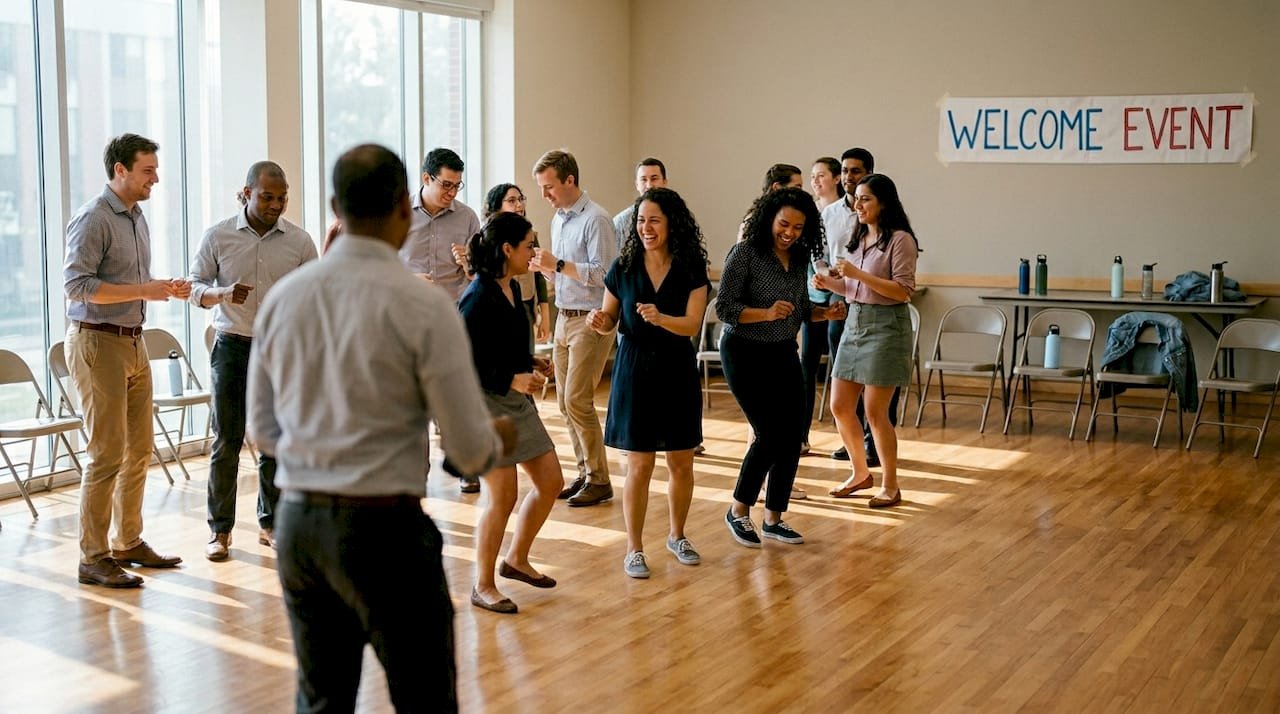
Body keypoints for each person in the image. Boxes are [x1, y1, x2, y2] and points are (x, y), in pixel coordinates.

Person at [248, 143, 516, 712]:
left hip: (299, 526)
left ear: (333, 208)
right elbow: (468, 452)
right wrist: (496, 441)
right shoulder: (423, 307)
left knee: (321, 700)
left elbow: (264, 434)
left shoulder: (284, 301)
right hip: (384, 531)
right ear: (403, 206)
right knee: (425, 700)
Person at [64, 133, 188, 588]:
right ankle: (92, 557)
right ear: (120, 170)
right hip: (98, 344)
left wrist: (159, 286)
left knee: (138, 451)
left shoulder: (136, 218)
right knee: (105, 454)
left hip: (133, 343)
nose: (155, 178)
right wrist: (142, 290)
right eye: (147, 170)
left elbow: (127, 281)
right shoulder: (93, 218)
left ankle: (127, 541)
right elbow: (77, 287)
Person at [188, 161, 317, 561]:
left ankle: (271, 524)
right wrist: (223, 293)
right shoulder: (218, 236)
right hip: (232, 346)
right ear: (246, 193)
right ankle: (220, 531)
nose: (276, 204)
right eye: (267, 197)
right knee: (226, 440)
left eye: (282, 197)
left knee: (273, 441)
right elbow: (194, 288)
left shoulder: (299, 241)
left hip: (280, 351)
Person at [588, 187, 709, 578]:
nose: (646, 227)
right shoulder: (623, 266)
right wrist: (600, 321)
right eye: (641, 220)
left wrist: (661, 319)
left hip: (676, 367)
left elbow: (691, 324)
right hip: (634, 367)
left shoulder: (691, 267)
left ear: (672, 223)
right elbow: (609, 316)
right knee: (638, 465)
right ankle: (634, 548)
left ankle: (677, 535)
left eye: (654, 220)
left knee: (680, 460)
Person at [715, 187, 846, 548]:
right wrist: (765, 313)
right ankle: (739, 510)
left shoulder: (799, 259)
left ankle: (773, 517)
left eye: (798, 227)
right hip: (744, 351)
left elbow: (802, 310)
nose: (789, 233)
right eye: (784, 224)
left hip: (783, 351)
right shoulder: (745, 253)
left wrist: (825, 313)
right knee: (770, 433)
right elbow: (723, 308)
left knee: (792, 436)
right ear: (769, 219)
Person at [459, 211, 563, 614]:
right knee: (502, 495)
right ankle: (482, 585)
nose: (535, 251)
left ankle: (516, 559)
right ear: (507, 249)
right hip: (482, 405)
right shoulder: (476, 297)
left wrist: (532, 365)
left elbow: (504, 346)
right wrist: (510, 379)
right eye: (529, 244)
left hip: (513, 402)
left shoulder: (514, 288)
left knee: (551, 481)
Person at [818, 174, 919, 509]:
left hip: (887, 326)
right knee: (840, 405)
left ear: (883, 203)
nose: (858, 205)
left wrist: (857, 274)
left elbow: (902, 291)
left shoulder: (900, 240)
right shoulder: (858, 236)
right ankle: (860, 473)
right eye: (857, 199)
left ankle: (891, 483)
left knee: (876, 412)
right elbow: (853, 290)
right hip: (855, 321)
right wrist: (829, 283)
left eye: (866, 199)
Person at [529, 150, 618, 507]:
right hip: (565, 316)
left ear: (570, 180)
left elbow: (605, 274)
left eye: (549, 187)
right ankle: (585, 473)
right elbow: (565, 273)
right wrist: (546, 269)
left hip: (591, 318)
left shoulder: (597, 219)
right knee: (565, 405)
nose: (544, 196)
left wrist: (560, 264)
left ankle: (600, 479)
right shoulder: (558, 220)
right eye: (541, 188)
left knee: (576, 400)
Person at [821, 148, 885, 463]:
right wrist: (825, 276)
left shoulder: (884, 219)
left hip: (872, 298)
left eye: (855, 171)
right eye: (844, 171)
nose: (848, 177)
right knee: (843, 369)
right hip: (840, 294)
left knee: (874, 375)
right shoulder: (830, 214)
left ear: (869, 174)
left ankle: (875, 440)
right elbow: (818, 254)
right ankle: (853, 441)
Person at [399, 147, 482, 300]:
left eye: (457, 186)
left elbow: (481, 275)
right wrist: (408, 280)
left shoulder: (468, 218)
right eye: (446, 185)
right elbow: (382, 266)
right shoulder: (398, 214)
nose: (452, 192)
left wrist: (469, 265)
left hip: (454, 311)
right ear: (426, 178)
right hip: (408, 306)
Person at [480, 183, 551, 347]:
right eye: (512, 200)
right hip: (498, 307)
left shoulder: (529, 234)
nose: (519, 204)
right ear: (497, 206)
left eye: (520, 199)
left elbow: (539, 274)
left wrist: (545, 318)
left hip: (526, 304)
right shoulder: (487, 237)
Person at [612, 157, 668, 245]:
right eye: (644, 180)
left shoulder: (678, 217)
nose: (649, 185)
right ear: (637, 185)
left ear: (664, 182)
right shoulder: (621, 223)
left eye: (654, 179)